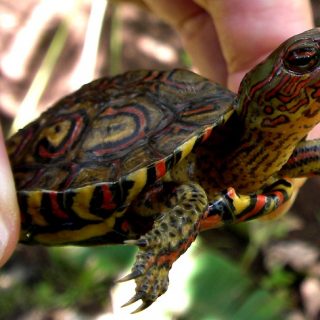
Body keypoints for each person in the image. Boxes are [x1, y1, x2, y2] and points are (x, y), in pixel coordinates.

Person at [0, 0, 315, 266]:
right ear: (255, 95)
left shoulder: (291, 156)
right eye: (303, 60)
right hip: (38, 181)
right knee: (190, 194)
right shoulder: (199, 157)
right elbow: (184, 193)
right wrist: (158, 265)